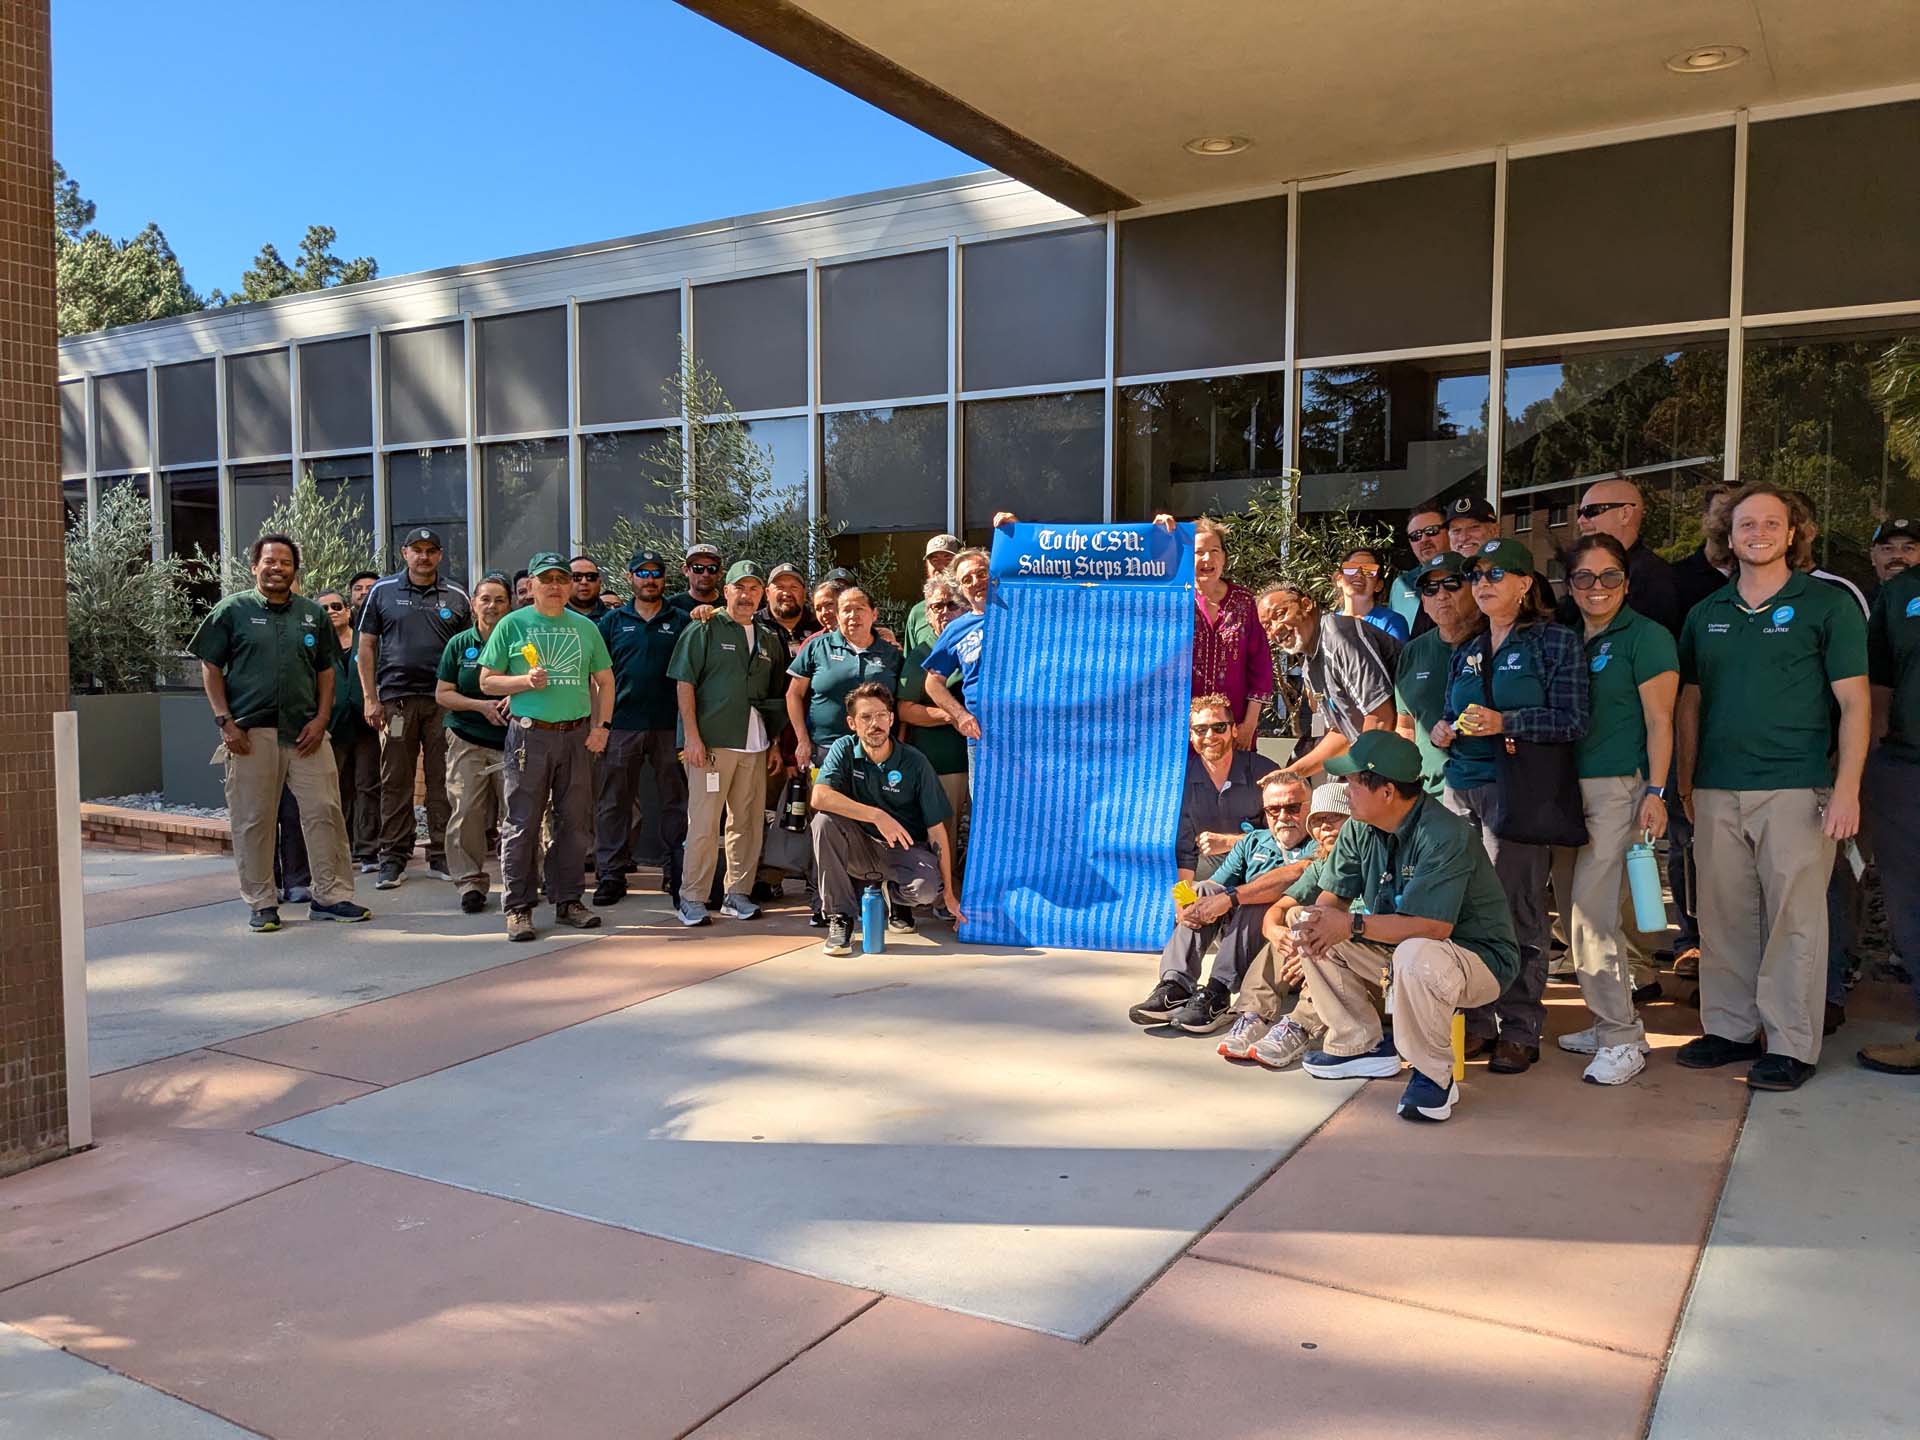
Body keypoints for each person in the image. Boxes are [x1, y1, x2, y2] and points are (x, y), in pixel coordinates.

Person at [1676, 484, 1868, 1091]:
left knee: (1796, 919)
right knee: (1725, 915)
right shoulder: (1706, 614)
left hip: (1797, 786)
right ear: (1727, 538)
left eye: (1771, 522)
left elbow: (1856, 703)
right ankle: (1730, 1029)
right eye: (1745, 524)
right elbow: (1690, 702)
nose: (1757, 531)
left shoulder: (1826, 605)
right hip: (1715, 788)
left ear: (1793, 534)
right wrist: (1684, 780)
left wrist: (1847, 788)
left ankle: (1791, 1043)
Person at [1286, 731, 1522, 1123]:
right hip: (1401, 949)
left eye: (1353, 782)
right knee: (1304, 919)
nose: (1344, 791)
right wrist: (1315, 924)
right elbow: (1331, 902)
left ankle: (1434, 1076)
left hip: (1477, 961)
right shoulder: (1359, 827)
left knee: (1416, 952)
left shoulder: (1445, 835)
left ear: (1387, 792)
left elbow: (1432, 927)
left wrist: (1350, 924)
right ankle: (1360, 1044)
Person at [1432, 538, 1587, 1075]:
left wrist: (1507, 723)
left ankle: (1520, 1028)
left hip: (1517, 791)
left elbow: (1572, 721)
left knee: (1517, 912)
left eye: (1498, 574)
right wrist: (1444, 730)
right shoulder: (1466, 648)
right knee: (1464, 911)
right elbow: (1450, 713)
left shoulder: (1554, 641)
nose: (1484, 583)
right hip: (1461, 789)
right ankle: (1475, 1023)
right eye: (1477, 576)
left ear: (1526, 584)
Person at [188, 535, 370, 931]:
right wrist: (225, 721)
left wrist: (322, 719)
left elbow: (325, 671)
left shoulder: (312, 614)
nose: (277, 568)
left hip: (306, 733)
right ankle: (262, 902)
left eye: (285, 562)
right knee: (254, 819)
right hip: (251, 734)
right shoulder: (231, 611)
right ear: (255, 566)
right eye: (269, 561)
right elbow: (210, 665)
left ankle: (332, 895)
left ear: (294, 569)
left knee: (325, 810)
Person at [1557, 534, 1679, 1086]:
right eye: (1585, 577)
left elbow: (1661, 722)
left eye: (1609, 576)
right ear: (1570, 585)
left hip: (1617, 789)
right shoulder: (1565, 638)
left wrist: (1656, 792)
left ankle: (1621, 1035)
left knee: (1592, 913)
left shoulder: (1646, 638)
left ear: (1626, 583)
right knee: (1574, 911)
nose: (1597, 587)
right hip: (1564, 792)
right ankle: (1612, 1019)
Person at [477, 552, 615, 942]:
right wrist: (523, 682)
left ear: (570, 585)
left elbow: (605, 680)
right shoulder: (512, 624)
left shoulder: (585, 627)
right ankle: (519, 908)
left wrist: (601, 727)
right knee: (521, 824)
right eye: (546, 579)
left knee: (573, 823)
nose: (555, 586)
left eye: (561, 579)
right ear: (532, 586)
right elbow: (487, 682)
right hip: (529, 735)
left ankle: (569, 901)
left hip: (575, 736)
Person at [1130, 769, 1320, 1035]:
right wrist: (1185, 903)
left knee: (1261, 900)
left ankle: (1217, 993)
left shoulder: (1321, 840)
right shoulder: (1254, 841)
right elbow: (1211, 886)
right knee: (1204, 889)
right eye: (1273, 810)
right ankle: (1175, 987)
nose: (1283, 817)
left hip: (1287, 952)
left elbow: (1297, 873)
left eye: (1292, 807)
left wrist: (1232, 898)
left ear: (1309, 808)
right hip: (1244, 940)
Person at [667, 560, 791, 928]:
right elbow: (684, 683)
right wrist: (691, 736)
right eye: (741, 588)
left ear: (761, 595)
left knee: (748, 823)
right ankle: (692, 897)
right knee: (704, 823)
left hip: (754, 745)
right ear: (726, 591)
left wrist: (771, 744)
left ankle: (738, 894)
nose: (747, 595)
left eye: (754, 589)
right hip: (712, 745)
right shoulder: (704, 627)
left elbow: (773, 695)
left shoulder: (769, 637)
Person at [810, 682, 965, 956]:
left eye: (882, 715)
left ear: (892, 719)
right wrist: (876, 815)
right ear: (852, 723)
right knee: (823, 822)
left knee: (927, 890)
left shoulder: (915, 762)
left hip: (903, 852)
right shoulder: (843, 749)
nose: (875, 724)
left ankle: (892, 895)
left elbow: (937, 831)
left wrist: (950, 895)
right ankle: (840, 918)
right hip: (860, 848)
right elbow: (820, 797)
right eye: (866, 717)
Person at [356, 527, 470, 889]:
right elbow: (367, 647)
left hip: (442, 704)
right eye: (416, 550)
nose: (423, 557)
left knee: (443, 781)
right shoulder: (382, 591)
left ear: (440, 556)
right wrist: (370, 698)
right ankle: (393, 857)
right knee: (396, 781)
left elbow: (469, 651)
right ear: (404, 553)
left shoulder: (456, 596)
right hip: (396, 703)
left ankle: (441, 855)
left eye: (431, 550)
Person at [590, 551, 689, 908]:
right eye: (642, 573)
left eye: (656, 574)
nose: (650, 580)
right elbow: (595, 675)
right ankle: (611, 875)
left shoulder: (680, 620)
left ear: (665, 578)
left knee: (675, 803)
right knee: (613, 802)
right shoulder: (612, 622)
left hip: (669, 726)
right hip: (621, 725)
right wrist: (597, 724)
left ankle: (673, 871)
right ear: (630, 577)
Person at [1235, 783, 1352, 1068]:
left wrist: (1311, 957)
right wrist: (1275, 931)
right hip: (1326, 956)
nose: (1326, 829)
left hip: (1369, 976)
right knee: (1294, 920)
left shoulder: (1371, 859)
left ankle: (1299, 1026)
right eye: (1318, 822)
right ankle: (1253, 1014)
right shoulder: (1321, 865)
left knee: (1310, 928)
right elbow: (1279, 909)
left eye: (1333, 819)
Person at [1859, 557, 1920, 1075]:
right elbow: (1876, 684)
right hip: (1907, 769)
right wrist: (1868, 764)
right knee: (1912, 906)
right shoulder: (1901, 593)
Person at [1256, 582, 1400, 776]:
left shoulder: (1338, 635)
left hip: (1402, 761)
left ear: (1306, 604)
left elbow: (1381, 718)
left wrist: (1363, 776)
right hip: (1371, 761)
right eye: (1266, 626)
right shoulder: (1309, 667)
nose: (1275, 629)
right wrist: (1292, 773)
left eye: (1280, 615)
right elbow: (1342, 733)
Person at [436, 574, 513, 914]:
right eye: (485, 599)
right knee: (466, 810)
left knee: (518, 814)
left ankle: (520, 879)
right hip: (467, 740)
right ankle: (470, 882)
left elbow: (539, 680)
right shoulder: (459, 644)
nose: (492, 606)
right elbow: (443, 694)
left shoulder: (521, 640)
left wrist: (514, 692)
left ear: (510, 605)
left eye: (499, 599)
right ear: (473, 604)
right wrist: (480, 705)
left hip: (512, 741)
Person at [897, 572, 972, 900]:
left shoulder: (979, 640)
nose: (943, 612)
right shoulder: (923, 653)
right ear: (926, 614)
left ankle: (975, 896)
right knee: (946, 833)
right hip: (943, 763)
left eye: (951, 605)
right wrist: (952, 715)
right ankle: (947, 896)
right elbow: (905, 709)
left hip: (985, 760)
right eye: (936, 606)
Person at [787, 585, 905, 772]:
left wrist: (899, 745)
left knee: (873, 802)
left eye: (859, 609)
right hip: (825, 750)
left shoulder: (892, 654)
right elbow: (793, 695)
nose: (853, 615)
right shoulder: (817, 647)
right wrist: (802, 740)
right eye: (846, 610)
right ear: (838, 615)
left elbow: (902, 704)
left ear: (874, 614)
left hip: (878, 750)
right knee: (824, 800)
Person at [1394, 552, 1484, 797]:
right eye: (1430, 589)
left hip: (1487, 789)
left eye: (1452, 584)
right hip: (1428, 794)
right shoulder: (1413, 651)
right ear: (1423, 601)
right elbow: (1405, 726)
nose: (1441, 595)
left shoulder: (1495, 642)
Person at [1554, 475, 1684, 636]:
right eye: (1579, 513)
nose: (1581, 521)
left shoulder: (1655, 578)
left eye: (1591, 511)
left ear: (1625, 514)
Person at [1185, 518, 1274, 752]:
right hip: (1186, 730)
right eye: (1199, 552)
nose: (1207, 559)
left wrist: (1249, 725)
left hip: (1234, 729)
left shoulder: (1244, 602)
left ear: (1224, 557)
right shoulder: (1175, 601)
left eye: (1214, 551)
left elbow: (1261, 667)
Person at [1173, 692, 1279, 884]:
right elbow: (1183, 859)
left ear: (1234, 730)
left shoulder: (1265, 772)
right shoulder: (1180, 782)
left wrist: (1229, 842)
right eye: (1200, 729)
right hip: (1202, 880)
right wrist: (1185, 907)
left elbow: (1286, 835)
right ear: (1190, 736)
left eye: (1219, 727)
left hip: (1258, 874)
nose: (1210, 736)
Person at [317, 586, 380, 874]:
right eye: (325, 608)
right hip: (332, 728)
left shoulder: (365, 642)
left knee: (367, 786)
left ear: (347, 610)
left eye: (337, 606)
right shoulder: (316, 645)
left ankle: (368, 850)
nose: (332, 612)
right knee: (337, 789)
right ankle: (342, 848)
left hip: (366, 727)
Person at [902, 533, 963, 662]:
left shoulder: (974, 606)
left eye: (948, 559)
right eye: (934, 560)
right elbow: (911, 661)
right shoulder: (917, 612)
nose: (941, 566)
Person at [1388, 503, 1449, 628]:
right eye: (1416, 536)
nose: (1424, 540)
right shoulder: (1401, 585)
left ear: (1449, 532)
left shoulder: (1467, 576)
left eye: (1431, 531)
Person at [1334, 544, 1410, 642]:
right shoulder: (1330, 624)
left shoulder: (1392, 622)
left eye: (1369, 570)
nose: (1359, 574)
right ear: (1339, 579)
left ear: (1379, 585)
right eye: (1351, 567)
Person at [761, 563, 821, 647]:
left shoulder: (819, 625)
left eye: (794, 587)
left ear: (804, 594)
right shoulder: (755, 624)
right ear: (767, 593)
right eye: (780, 587)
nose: (787, 593)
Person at [668, 541, 725, 618]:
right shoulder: (670, 607)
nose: (705, 574)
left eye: (712, 569)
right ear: (686, 570)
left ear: (720, 572)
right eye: (698, 568)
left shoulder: (728, 607)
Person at [1868, 516, 1920, 595]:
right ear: (1873, 557)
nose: (1897, 555)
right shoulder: (1856, 603)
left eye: (1908, 548)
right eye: (1887, 548)